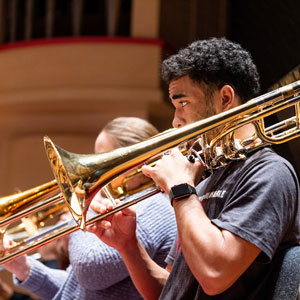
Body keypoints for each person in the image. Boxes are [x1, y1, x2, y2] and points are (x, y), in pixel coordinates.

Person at [88, 38, 300, 299]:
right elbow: (172, 289)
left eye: (183, 104)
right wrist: (128, 246)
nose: (175, 121)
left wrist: (181, 190)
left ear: (225, 98)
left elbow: (215, 274)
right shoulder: (204, 182)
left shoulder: (269, 173)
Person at [3, 117, 177, 300]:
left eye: (104, 159)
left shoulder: (154, 206)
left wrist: (80, 205)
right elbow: (78, 290)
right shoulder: (128, 201)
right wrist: (25, 269)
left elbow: (91, 269)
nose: (96, 169)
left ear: (135, 158)